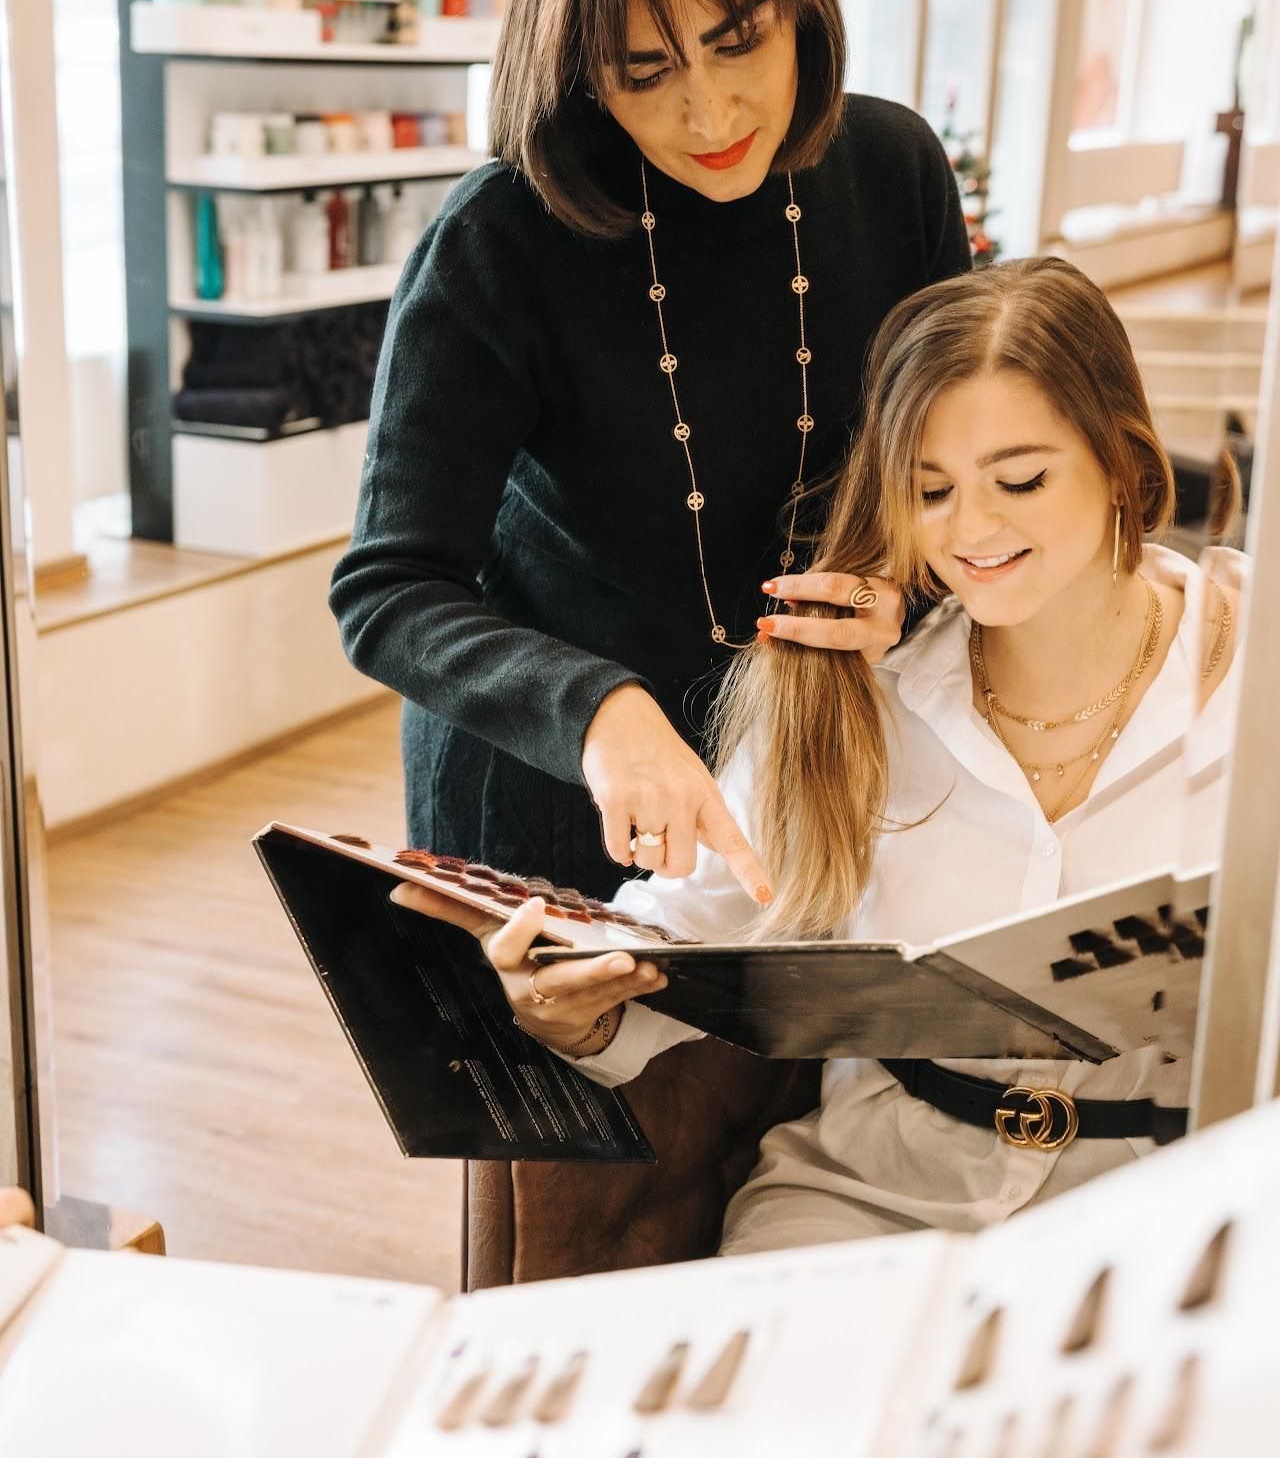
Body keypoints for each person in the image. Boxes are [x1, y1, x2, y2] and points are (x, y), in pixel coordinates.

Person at [392, 257, 1242, 1247]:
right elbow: (687, 935)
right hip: (872, 1197)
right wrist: (569, 1010)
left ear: (1124, 466)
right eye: (928, 491)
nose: (970, 529)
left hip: (1172, 1212)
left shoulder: (1247, 691)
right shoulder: (848, 698)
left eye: (1019, 478)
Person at [329, 0, 970, 912]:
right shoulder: (499, 239)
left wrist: (905, 588)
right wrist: (592, 710)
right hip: (553, 794)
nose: (708, 110)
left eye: (739, 41)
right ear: (579, 66)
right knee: (579, 1069)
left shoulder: (892, 172)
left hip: (821, 762)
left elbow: (951, 479)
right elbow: (388, 591)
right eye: (643, 71)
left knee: (795, 1074)